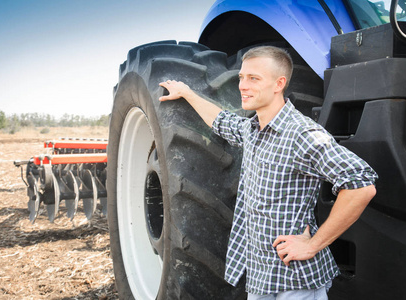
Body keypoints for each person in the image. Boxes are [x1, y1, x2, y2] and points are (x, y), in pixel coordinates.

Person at [158, 46, 378, 299]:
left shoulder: (302, 135)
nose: (243, 85)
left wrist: (313, 244)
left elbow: (361, 185)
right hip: (261, 279)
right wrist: (187, 93)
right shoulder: (252, 130)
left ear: (278, 84)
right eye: (242, 77)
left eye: (254, 78)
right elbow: (220, 120)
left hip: (295, 281)